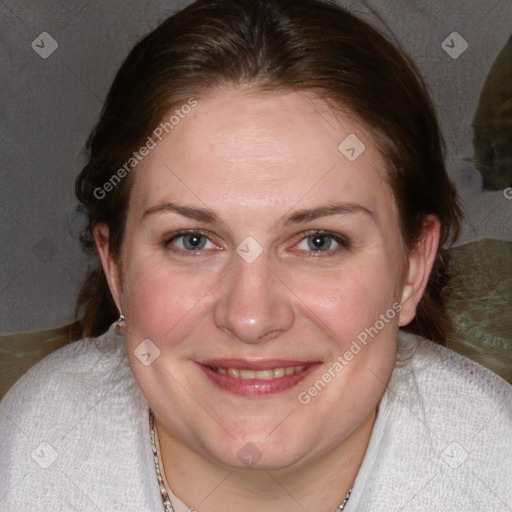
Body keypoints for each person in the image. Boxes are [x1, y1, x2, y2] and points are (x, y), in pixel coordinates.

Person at [1, 0, 511, 510]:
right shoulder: (26, 465)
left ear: (412, 269)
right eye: (192, 240)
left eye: (319, 241)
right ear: (115, 269)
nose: (250, 317)